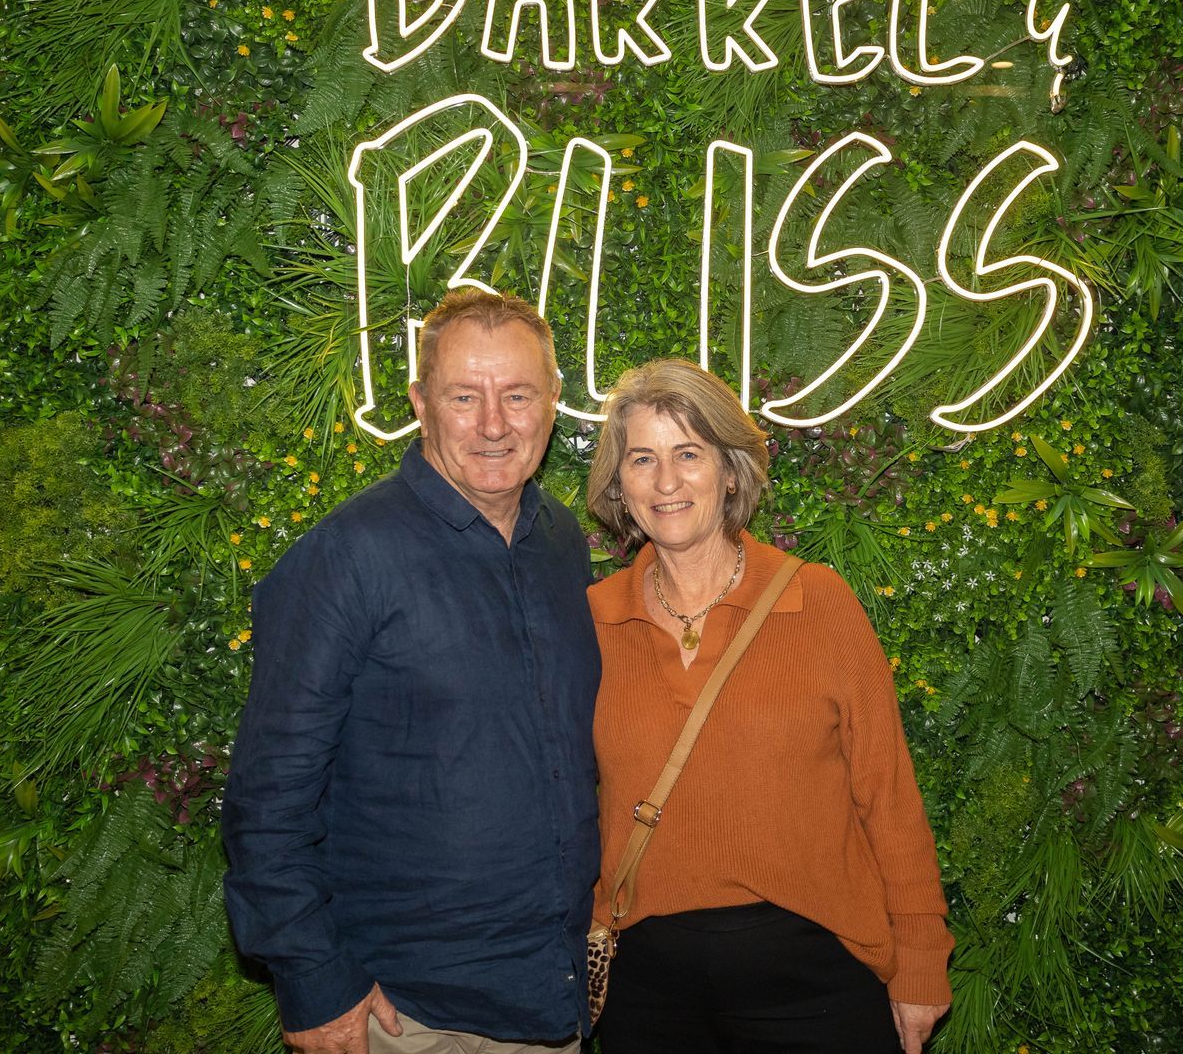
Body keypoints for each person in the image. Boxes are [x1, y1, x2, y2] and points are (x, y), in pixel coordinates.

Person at [223, 288, 600, 1054]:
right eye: (466, 396)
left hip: (549, 996)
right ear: (420, 403)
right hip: (410, 1016)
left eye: (518, 395)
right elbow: (269, 800)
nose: (494, 424)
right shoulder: (345, 558)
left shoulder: (562, 544)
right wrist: (314, 979)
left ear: (554, 403)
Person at [583, 358, 953, 1054]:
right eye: (642, 458)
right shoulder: (593, 623)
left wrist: (922, 957)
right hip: (648, 993)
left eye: (688, 453)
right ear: (618, 484)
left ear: (730, 471)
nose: (666, 481)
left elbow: (889, 795)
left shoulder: (816, 601)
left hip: (815, 983)